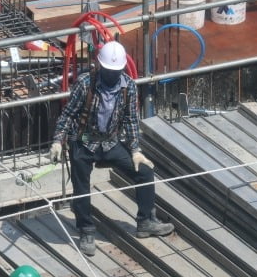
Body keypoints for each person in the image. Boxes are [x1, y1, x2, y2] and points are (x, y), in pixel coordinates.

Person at [50, 40, 175, 256]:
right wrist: (58, 141)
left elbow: (131, 120)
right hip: (84, 142)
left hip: (110, 142)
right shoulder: (85, 84)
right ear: (100, 66)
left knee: (144, 172)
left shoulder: (129, 86)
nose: (112, 75)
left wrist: (135, 150)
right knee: (81, 187)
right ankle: (86, 229)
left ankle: (146, 221)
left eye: (116, 71)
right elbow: (68, 114)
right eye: (108, 71)